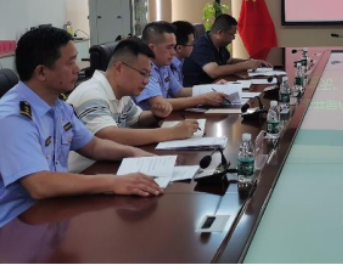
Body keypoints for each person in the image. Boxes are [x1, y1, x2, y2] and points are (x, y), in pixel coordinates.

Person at [0, 28, 161, 228]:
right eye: (70, 62)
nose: (78, 69)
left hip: (52, 211)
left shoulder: (58, 106)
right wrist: (114, 182)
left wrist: (135, 154)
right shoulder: (13, 118)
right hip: (14, 225)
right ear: (41, 72)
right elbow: (39, 184)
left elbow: (94, 146)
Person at [67, 38, 201, 173]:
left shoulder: (122, 93)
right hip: (85, 173)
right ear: (119, 68)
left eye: (148, 75)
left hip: (108, 165)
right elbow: (109, 136)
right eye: (143, 73)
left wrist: (155, 115)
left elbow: (137, 119)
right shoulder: (91, 93)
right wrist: (172, 133)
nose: (146, 81)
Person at [135, 22, 229, 112]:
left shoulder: (163, 65)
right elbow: (159, 103)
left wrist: (212, 88)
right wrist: (203, 99)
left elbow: (179, 91)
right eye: (169, 47)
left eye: (173, 47)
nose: (173, 52)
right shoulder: (144, 69)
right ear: (151, 48)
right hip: (148, 121)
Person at [182, 14, 269, 87]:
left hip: (216, 85)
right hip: (198, 91)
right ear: (220, 33)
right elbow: (214, 72)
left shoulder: (220, 44)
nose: (233, 38)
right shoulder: (202, 46)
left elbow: (229, 61)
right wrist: (245, 65)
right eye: (232, 34)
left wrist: (252, 62)